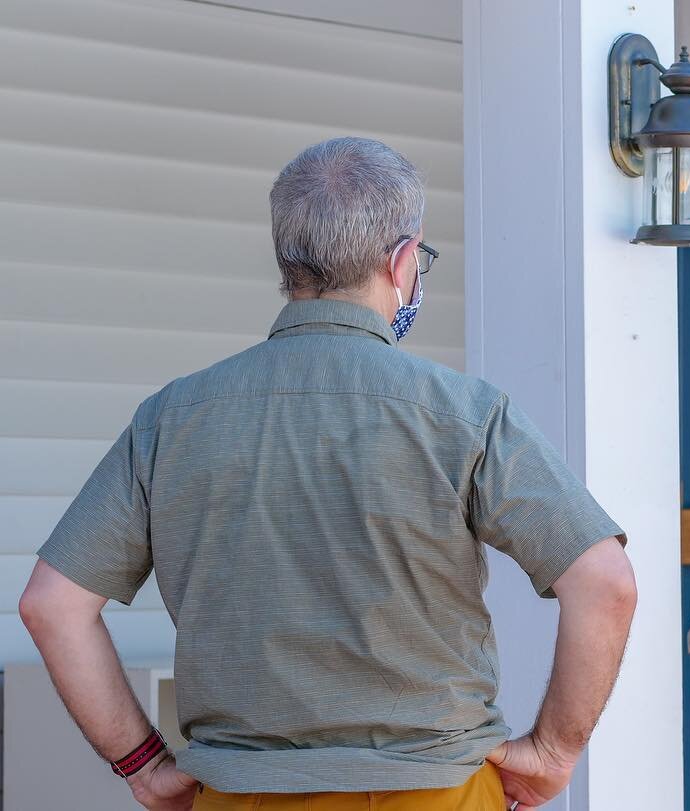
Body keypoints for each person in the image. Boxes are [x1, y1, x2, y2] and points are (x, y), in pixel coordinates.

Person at [19, 137, 636, 811]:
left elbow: (52, 606)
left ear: (289, 264)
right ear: (402, 262)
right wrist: (552, 752)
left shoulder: (172, 418)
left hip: (242, 794)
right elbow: (604, 583)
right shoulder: (466, 414)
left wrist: (141, 763)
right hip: (438, 792)